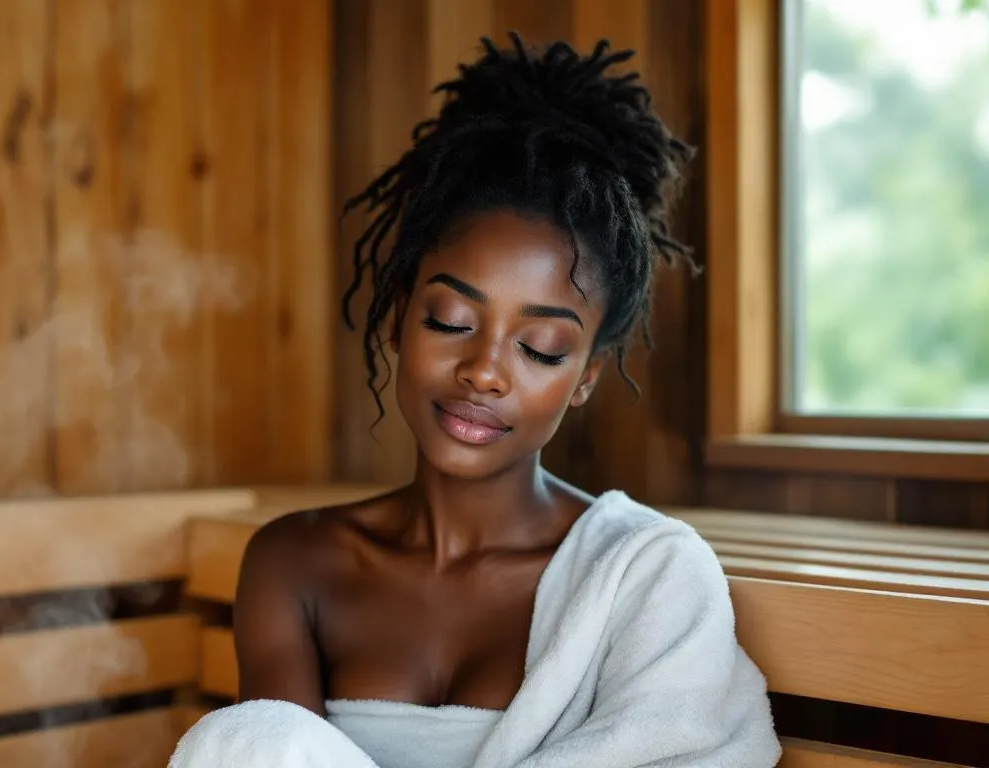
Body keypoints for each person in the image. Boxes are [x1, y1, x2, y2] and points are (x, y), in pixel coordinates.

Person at [169, 33, 780, 768]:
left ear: (585, 376)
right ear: (398, 316)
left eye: (541, 349)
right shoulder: (296, 563)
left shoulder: (641, 575)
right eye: (452, 322)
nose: (485, 371)